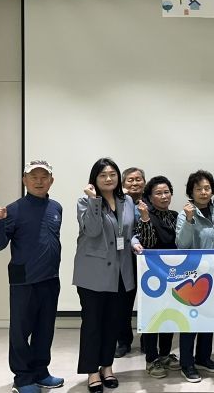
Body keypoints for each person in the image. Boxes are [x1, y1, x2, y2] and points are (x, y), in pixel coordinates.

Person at [0, 160, 64, 393]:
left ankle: (41, 372)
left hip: (50, 279)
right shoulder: (13, 209)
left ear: (51, 180)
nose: (39, 181)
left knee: (45, 329)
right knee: (20, 332)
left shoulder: (56, 208)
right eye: (34, 177)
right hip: (24, 280)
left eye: (44, 177)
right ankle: (22, 378)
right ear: (25, 180)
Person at [73, 158, 137, 393]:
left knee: (113, 323)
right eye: (103, 175)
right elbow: (91, 230)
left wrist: (135, 242)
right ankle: (92, 371)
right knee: (92, 324)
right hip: (93, 273)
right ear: (95, 179)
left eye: (112, 174)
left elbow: (131, 231)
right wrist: (94, 200)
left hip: (120, 272)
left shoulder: (127, 200)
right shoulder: (85, 201)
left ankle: (107, 367)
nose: (108, 179)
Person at [175, 170, 214, 377]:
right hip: (193, 275)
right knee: (191, 320)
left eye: (207, 188)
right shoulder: (184, 214)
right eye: (198, 189)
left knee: (209, 318)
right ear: (191, 192)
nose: (203, 192)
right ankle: (187, 363)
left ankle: (204, 357)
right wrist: (189, 220)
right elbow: (182, 245)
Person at [134, 176, 184, 380]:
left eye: (166, 192)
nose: (164, 197)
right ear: (149, 197)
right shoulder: (144, 215)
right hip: (152, 274)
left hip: (174, 272)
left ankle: (165, 354)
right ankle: (151, 358)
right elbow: (147, 242)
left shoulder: (175, 216)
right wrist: (145, 217)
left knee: (170, 314)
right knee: (153, 316)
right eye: (158, 193)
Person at [114, 167, 146, 359]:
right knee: (123, 303)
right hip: (124, 258)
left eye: (138, 179)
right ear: (123, 183)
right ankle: (123, 341)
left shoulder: (150, 201)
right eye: (130, 180)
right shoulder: (116, 202)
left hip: (147, 258)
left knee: (148, 300)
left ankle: (147, 341)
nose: (135, 183)